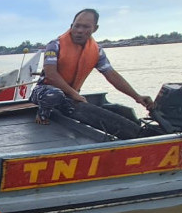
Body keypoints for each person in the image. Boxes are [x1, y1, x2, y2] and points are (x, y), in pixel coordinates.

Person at [31, 9, 154, 138]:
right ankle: (43, 113)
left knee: (121, 114)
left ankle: (139, 135)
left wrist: (137, 96)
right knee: (55, 95)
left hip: (70, 96)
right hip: (44, 92)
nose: (79, 30)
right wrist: (74, 94)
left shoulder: (97, 51)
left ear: (95, 29)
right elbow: (51, 74)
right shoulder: (55, 45)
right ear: (71, 26)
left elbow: (111, 75)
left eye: (86, 27)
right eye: (77, 26)